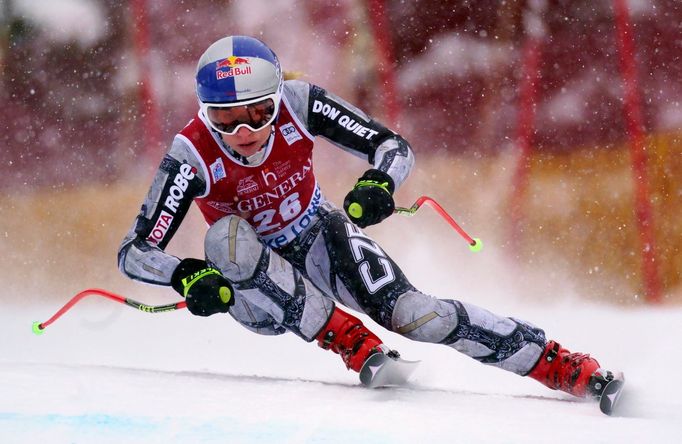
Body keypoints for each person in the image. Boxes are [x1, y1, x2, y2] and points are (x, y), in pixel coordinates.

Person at [118, 35, 615, 398]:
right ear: (205, 113)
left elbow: (391, 146)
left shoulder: (301, 102)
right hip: (252, 286)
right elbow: (134, 251)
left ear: (277, 99)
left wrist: (381, 182)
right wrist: (186, 276)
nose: (244, 130)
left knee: (418, 316)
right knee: (225, 238)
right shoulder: (191, 153)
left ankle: (559, 363)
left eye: (258, 113)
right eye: (225, 118)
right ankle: (350, 340)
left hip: (319, 234)